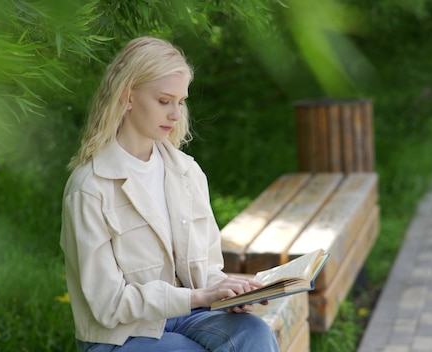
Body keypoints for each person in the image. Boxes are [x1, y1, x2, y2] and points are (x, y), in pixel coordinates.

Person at [60, 36, 279, 352]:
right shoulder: (89, 188)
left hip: (188, 316)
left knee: (253, 333)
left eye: (180, 101)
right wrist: (198, 297)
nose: (175, 114)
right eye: (164, 101)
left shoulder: (187, 172)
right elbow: (108, 304)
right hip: (121, 336)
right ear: (128, 97)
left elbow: (208, 269)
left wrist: (229, 293)